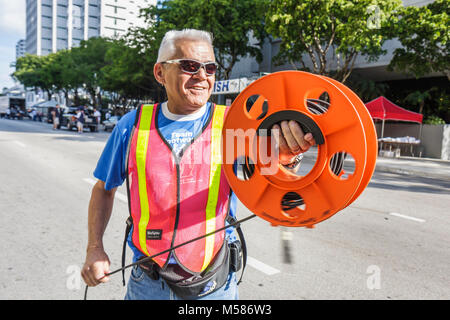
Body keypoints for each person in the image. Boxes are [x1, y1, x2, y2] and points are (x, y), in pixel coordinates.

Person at [81, 29, 315, 300]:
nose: (202, 76)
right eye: (189, 66)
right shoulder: (131, 126)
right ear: (160, 73)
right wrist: (94, 248)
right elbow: (104, 189)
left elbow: (277, 179)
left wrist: (291, 153)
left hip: (213, 286)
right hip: (147, 282)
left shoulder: (233, 124)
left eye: (210, 68)